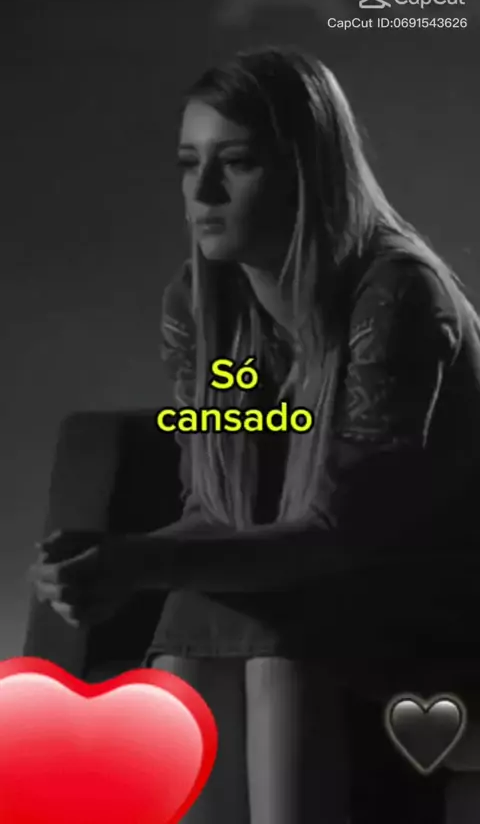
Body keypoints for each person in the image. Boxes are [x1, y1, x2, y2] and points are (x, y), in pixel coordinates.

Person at [30, 46, 480, 824]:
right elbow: (218, 511)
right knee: (213, 618)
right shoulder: (201, 305)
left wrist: (143, 562)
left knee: (273, 629)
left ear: (309, 174)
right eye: (188, 164)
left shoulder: (397, 296)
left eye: (235, 163)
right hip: (327, 591)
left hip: (438, 594)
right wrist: (110, 560)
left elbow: (344, 537)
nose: (202, 192)